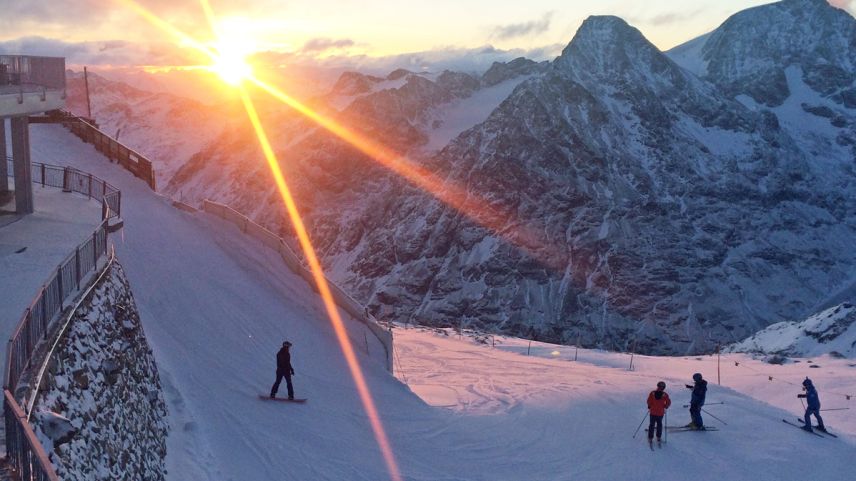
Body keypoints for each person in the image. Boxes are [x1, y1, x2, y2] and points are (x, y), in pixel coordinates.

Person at [647, 381, 671, 446]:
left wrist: (649, 405)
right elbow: (668, 402)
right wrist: (666, 406)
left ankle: (650, 437)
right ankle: (658, 437)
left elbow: (649, 400)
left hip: (653, 412)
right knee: (659, 425)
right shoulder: (665, 394)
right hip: (660, 413)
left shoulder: (652, 393)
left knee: (652, 425)